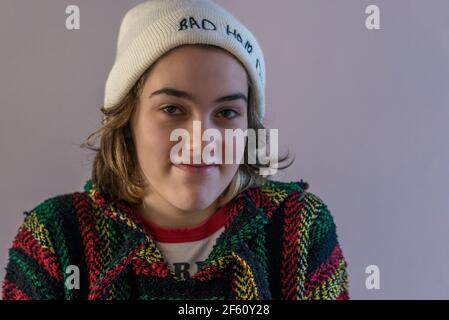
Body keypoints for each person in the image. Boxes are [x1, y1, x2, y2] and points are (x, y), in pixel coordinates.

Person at [2, 0, 349, 300]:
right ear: (128, 118)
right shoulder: (56, 238)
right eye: (172, 109)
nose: (201, 140)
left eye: (227, 113)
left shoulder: (299, 230)